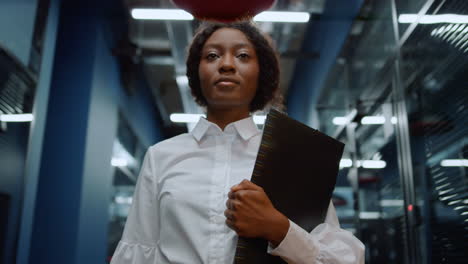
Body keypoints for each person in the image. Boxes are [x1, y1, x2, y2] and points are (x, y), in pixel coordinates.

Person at [110, 21, 364, 264]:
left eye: (243, 56)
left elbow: (344, 260)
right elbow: (138, 251)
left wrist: (278, 228)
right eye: (212, 56)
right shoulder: (161, 156)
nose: (227, 65)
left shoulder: (293, 158)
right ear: (197, 73)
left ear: (260, 72)